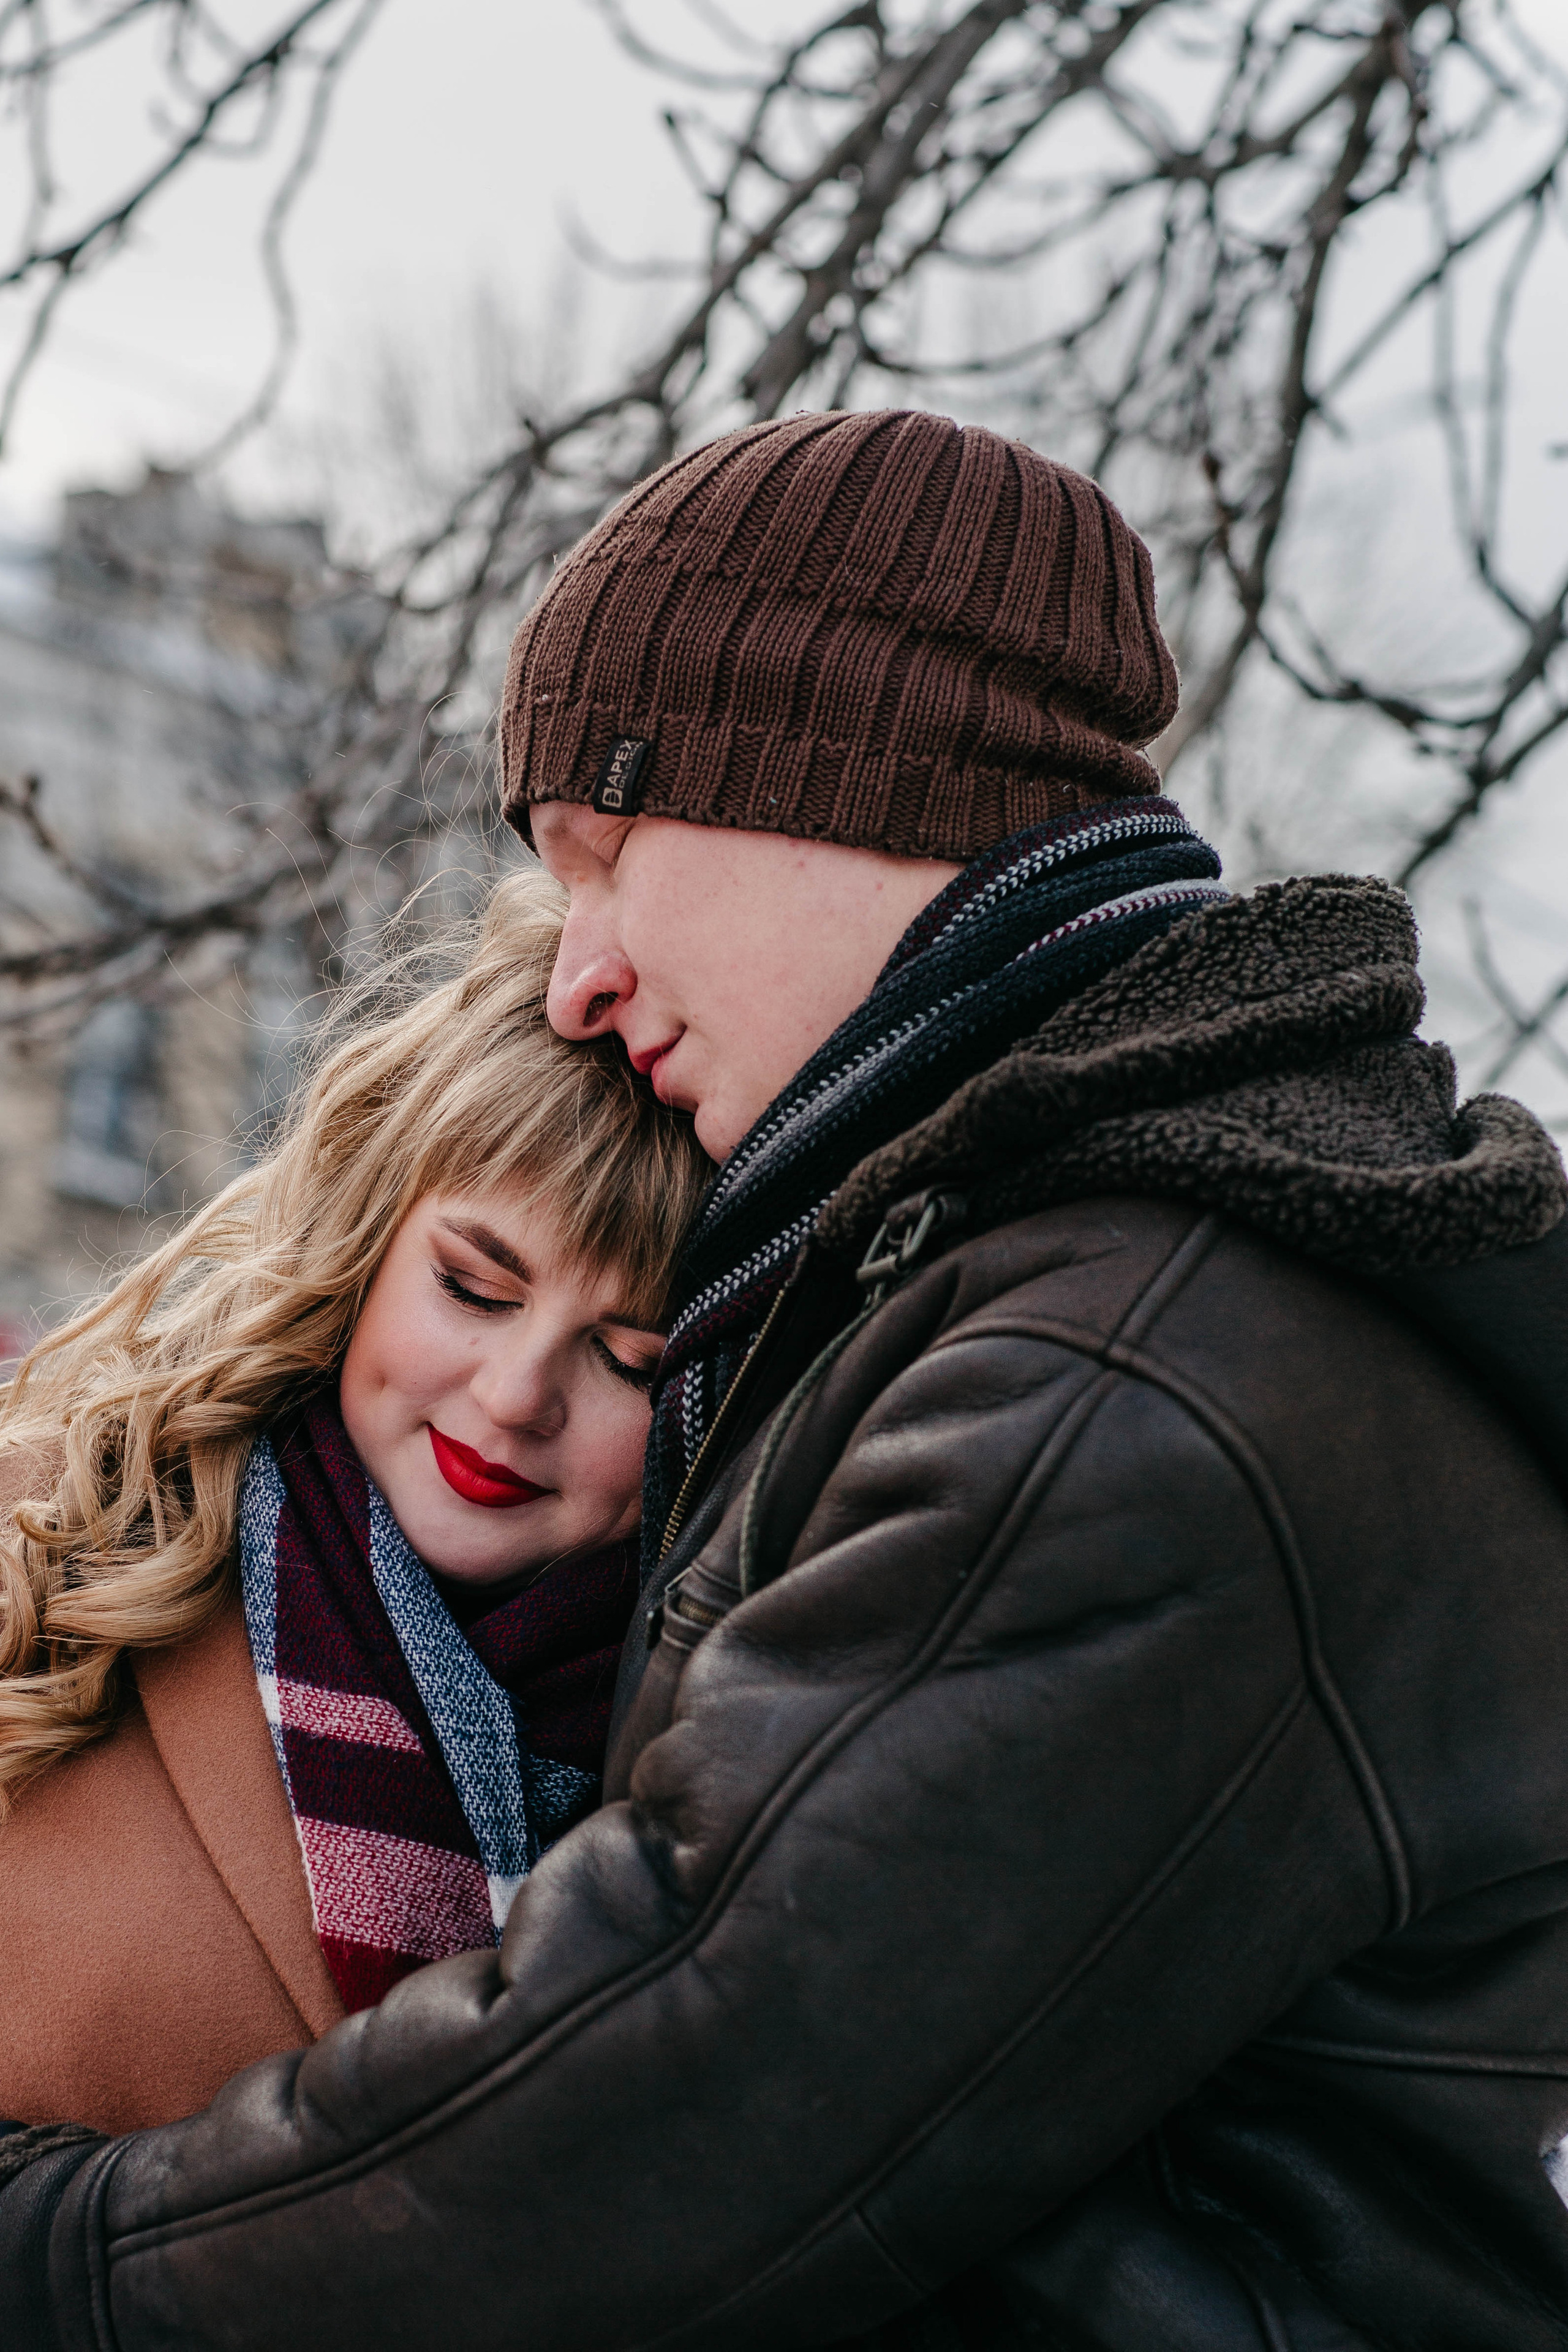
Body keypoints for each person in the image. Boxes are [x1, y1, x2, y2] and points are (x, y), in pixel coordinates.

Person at [6, 407, 1568, 2352]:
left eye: (605, 855)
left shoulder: (1121, 1358)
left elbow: (654, 2107)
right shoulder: (1068, 1271)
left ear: (823, 785)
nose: (575, 975)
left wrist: (51, 2254)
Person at [0, 870, 706, 2132]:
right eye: (474, 1289)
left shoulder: (722, 1747)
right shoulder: (48, 1536)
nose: (514, 1396)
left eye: (624, 1362)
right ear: (368, 1243)